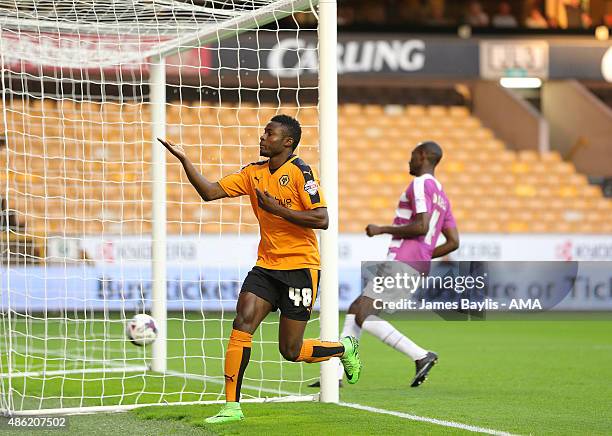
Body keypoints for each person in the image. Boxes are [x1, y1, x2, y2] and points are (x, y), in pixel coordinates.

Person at [158, 114, 362, 424]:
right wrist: (185, 160)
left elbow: (322, 219)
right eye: (264, 132)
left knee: (291, 351)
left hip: (300, 268)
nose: (262, 138)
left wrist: (277, 209)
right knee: (242, 321)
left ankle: (343, 348)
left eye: (270, 134)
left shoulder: (300, 172)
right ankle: (231, 406)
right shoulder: (253, 173)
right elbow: (210, 192)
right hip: (266, 266)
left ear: (287, 142)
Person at [333, 142, 459, 388]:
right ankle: (335, 374)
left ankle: (420, 355)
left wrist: (381, 229)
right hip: (414, 261)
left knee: (364, 314)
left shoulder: (421, 183)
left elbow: (421, 226)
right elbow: (453, 242)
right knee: (355, 308)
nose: (408, 161)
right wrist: (422, 255)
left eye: (412, 155)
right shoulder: (442, 196)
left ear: (422, 156)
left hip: (403, 259)